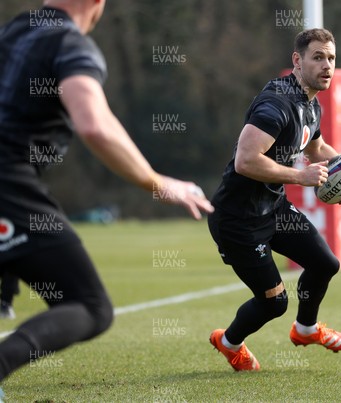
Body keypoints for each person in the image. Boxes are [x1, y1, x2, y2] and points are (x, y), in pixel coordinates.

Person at [0, 0, 214, 398]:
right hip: (9, 184)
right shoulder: (70, 45)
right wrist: (157, 183)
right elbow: (95, 126)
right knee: (91, 307)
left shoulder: (13, 30)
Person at [207, 28, 341, 371]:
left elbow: (317, 149)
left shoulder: (310, 103)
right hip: (238, 220)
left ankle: (306, 329)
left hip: (273, 207)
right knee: (274, 303)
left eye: (331, 58)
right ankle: (229, 342)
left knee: (326, 264)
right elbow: (246, 161)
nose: (327, 66)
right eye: (318, 58)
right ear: (297, 61)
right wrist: (301, 177)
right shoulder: (276, 104)